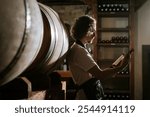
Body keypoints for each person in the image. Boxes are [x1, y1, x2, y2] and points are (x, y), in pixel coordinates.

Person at [66, 15, 130, 100]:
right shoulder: (79, 51)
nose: (95, 35)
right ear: (87, 31)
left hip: (88, 93)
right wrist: (122, 66)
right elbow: (100, 75)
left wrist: (113, 68)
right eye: (93, 31)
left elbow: (93, 74)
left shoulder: (79, 48)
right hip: (86, 95)